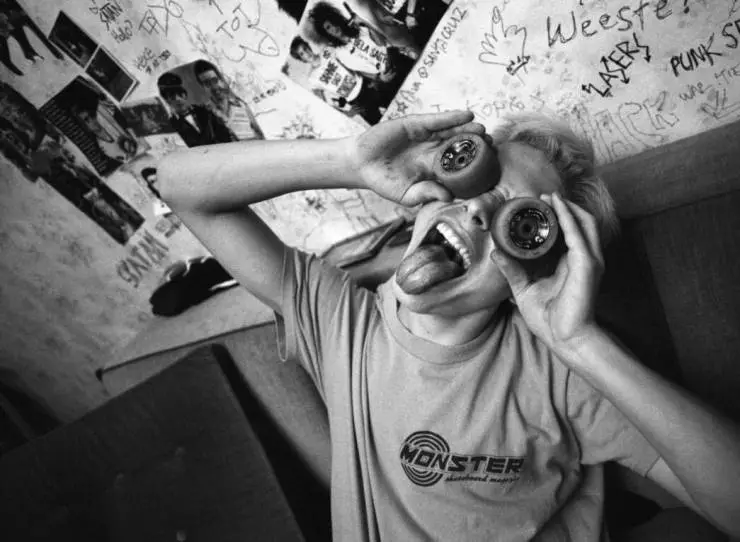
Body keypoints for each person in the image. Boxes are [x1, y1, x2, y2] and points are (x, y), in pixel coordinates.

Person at [157, 110, 740, 540]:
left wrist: (580, 342)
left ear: (537, 269)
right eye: (473, 182)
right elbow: (179, 185)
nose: (479, 209)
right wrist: (349, 161)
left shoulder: (557, 371)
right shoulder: (342, 321)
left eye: (520, 220)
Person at [289, 36, 386, 124]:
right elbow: (323, 104)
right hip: (356, 101)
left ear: (309, 46)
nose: (306, 53)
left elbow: (352, 63)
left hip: (366, 85)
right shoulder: (312, 79)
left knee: (391, 102)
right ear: (301, 59)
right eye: (302, 54)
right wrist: (347, 113)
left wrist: (373, 78)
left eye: (305, 48)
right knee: (380, 125)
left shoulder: (327, 51)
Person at [157, 72, 237, 147]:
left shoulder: (205, 111)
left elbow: (224, 134)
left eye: (181, 94)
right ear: (167, 101)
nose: (178, 99)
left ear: (185, 95)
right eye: (172, 97)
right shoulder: (172, 124)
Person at [192, 60, 264, 141]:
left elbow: (258, 132)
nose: (214, 87)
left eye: (214, 80)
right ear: (202, 87)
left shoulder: (240, 104)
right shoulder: (204, 114)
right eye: (207, 83)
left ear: (221, 80)